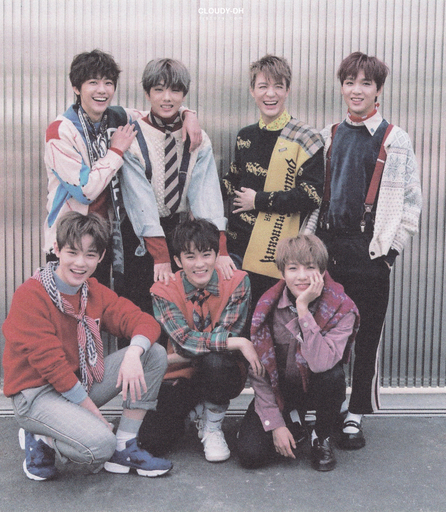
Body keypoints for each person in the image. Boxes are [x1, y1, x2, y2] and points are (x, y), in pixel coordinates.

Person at [3, 212, 172, 480]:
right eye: (72, 252)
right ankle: (41, 436)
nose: (80, 263)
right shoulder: (31, 295)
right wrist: (97, 418)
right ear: (56, 249)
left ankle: (125, 446)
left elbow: (143, 321)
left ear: (101, 257)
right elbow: (53, 367)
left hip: (78, 382)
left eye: (90, 255)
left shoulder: (92, 291)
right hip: (36, 394)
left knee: (152, 353)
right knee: (100, 445)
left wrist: (133, 352)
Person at [311, 52, 422, 449]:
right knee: (327, 335)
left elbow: (411, 202)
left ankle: (356, 413)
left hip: (371, 252)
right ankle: (331, 407)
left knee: (367, 337)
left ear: (378, 90)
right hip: (329, 251)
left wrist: (389, 254)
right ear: (341, 87)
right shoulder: (329, 135)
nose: (356, 90)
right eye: (349, 82)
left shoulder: (394, 138)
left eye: (365, 83)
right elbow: (316, 199)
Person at [43, 49, 201, 305]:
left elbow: (159, 110)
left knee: (97, 308)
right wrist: (116, 151)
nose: (102, 90)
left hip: (103, 239)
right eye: (93, 82)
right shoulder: (60, 130)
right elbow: (85, 190)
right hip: (68, 240)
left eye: (108, 83)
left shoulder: (116, 116)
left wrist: (188, 115)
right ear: (76, 87)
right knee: (65, 309)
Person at [139, 218, 264, 462]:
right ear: (177, 261)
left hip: (222, 370)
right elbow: (184, 341)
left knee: (215, 361)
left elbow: (225, 338)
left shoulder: (238, 281)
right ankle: (194, 411)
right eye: (190, 257)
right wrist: (239, 342)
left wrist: (227, 343)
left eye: (206, 255)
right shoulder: (162, 290)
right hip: (180, 373)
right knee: (151, 441)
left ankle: (213, 426)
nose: (199, 264)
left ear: (217, 256)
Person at [119, 58, 236, 316]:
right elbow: (139, 201)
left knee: (181, 313)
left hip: (181, 234)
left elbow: (206, 196)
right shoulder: (133, 136)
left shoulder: (198, 137)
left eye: (175, 90)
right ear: (147, 93)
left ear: (184, 94)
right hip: (140, 235)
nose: (167, 98)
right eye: (158, 90)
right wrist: (160, 255)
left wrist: (220, 249)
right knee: (141, 309)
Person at [237, 235, 359, 471]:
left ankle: (321, 437)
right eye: (293, 268)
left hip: (317, 386)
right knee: (251, 455)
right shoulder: (267, 305)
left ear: (322, 271)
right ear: (282, 272)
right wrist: (275, 425)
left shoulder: (342, 308)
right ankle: (292, 419)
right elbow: (259, 372)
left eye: (310, 267)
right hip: (281, 389)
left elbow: (321, 363)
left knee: (333, 377)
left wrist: (303, 309)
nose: (302, 276)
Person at [221, 55, 325, 309]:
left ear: (287, 90)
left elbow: (312, 195)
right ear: (252, 90)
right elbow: (233, 180)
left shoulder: (306, 137)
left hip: (279, 254)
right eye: (263, 86)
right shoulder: (245, 136)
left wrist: (258, 200)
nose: (270, 94)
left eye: (278, 86)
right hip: (238, 250)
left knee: (273, 324)